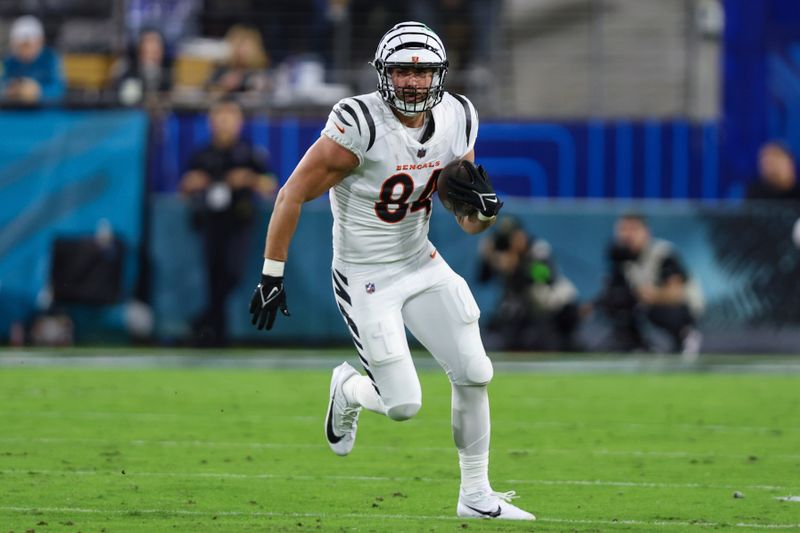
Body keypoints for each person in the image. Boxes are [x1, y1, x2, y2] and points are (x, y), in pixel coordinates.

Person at [248, 22, 535, 521]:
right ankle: (349, 388)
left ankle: (475, 495)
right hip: (364, 273)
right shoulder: (359, 123)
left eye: (422, 72)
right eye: (402, 70)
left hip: (418, 259)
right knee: (402, 404)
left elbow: (468, 225)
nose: (413, 82)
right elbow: (291, 193)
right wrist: (272, 275)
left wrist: (484, 212)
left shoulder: (458, 118)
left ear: (439, 76)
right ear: (383, 74)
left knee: (474, 372)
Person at [180, 98, 277, 346]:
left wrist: (249, 179)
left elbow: (271, 185)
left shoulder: (248, 153)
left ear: (239, 123)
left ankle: (203, 322)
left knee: (232, 273)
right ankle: (216, 335)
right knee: (213, 276)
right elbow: (184, 186)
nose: (223, 124)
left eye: (229, 118)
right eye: (219, 118)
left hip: (239, 221)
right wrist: (194, 183)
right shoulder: (203, 154)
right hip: (210, 222)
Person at [593, 212, 704, 356]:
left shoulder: (663, 253)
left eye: (633, 229)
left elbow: (677, 293)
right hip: (645, 306)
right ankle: (636, 346)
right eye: (622, 229)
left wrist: (650, 294)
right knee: (616, 302)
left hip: (683, 306)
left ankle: (685, 339)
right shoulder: (621, 257)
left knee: (660, 312)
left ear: (646, 232)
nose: (627, 235)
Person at [478, 217, 581, 351]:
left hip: (551, 308)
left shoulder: (538, 249)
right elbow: (482, 279)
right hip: (520, 310)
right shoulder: (503, 253)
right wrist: (487, 258)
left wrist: (517, 267)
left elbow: (545, 278)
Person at [1, 15, 65, 104]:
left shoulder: (50, 58)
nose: (25, 51)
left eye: (29, 45)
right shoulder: (9, 61)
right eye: (21, 46)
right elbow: (3, 84)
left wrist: (38, 90)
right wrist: (10, 89)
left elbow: (58, 89)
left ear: (39, 42)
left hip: (45, 112)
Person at [205, 25, 270, 99]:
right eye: (238, 45)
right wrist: (223, 86)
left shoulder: (261, 72)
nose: (242, 51)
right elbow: (207, 98)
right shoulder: (221, 70)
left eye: (247, 46)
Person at [111, 28, 173, 105]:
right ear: (140, 51)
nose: (153, 56)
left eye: (156, 51)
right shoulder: (128, 74)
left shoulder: (169, 76)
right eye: (149, 51)